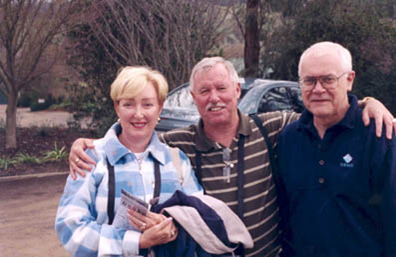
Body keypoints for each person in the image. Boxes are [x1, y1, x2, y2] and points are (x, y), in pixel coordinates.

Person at [68, 57, 395, 256]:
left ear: (237, 90)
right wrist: (92, 144)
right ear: (193, 98)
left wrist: (368, 103)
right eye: (205, 92)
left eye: (222, 88)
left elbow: (326, 110)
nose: (215, 98)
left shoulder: (275, 128)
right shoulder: (175, 147)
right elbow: (135, 135)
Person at [55, 66, 204, 256]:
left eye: (147, 104)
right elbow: (70, 227)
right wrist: (136, 241)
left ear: (160, 106)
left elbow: (199, 222)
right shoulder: (92, 158)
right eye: (128, 104)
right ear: (117, 106)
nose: (138, 114)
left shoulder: (177, 161)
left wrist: (172, 229)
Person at [277, 42, 396, 256]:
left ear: (349, 80)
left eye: (328, 79)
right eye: (309, 80)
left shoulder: (379, 135)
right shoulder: (288, 138)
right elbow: (287, 217)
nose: (318, 89)